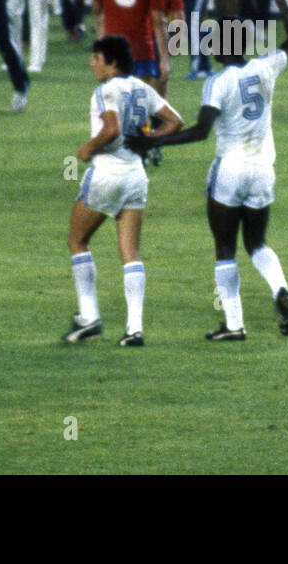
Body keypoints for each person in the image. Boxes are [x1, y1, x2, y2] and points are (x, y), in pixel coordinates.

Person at [129, 0, 288, 341]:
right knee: (257, 243)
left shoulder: (218, 83)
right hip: (263, 170)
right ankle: (279, 288)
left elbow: (200, 131)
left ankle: (235, 324)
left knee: (225, 246)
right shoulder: (264, 67)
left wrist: (153, 141)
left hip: (230, 169)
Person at [63, 34, 183, 346]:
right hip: (136, 176)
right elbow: (175, 121)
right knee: (130, 252)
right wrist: (149, 140)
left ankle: (89, 318)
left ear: (112, 62)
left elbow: (112, 129)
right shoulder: (142, 88)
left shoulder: (106, 90)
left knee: (78, 240)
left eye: (96, 59)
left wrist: (88, 147)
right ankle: (134, 330)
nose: (91, 64)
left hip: (107, 174)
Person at [137, 0, 185, 101]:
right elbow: (178, 16)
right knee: (159, 95)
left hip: (131, 38)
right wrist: (176, 42)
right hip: (156, 41)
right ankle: (161, 125)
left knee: (133, 94)